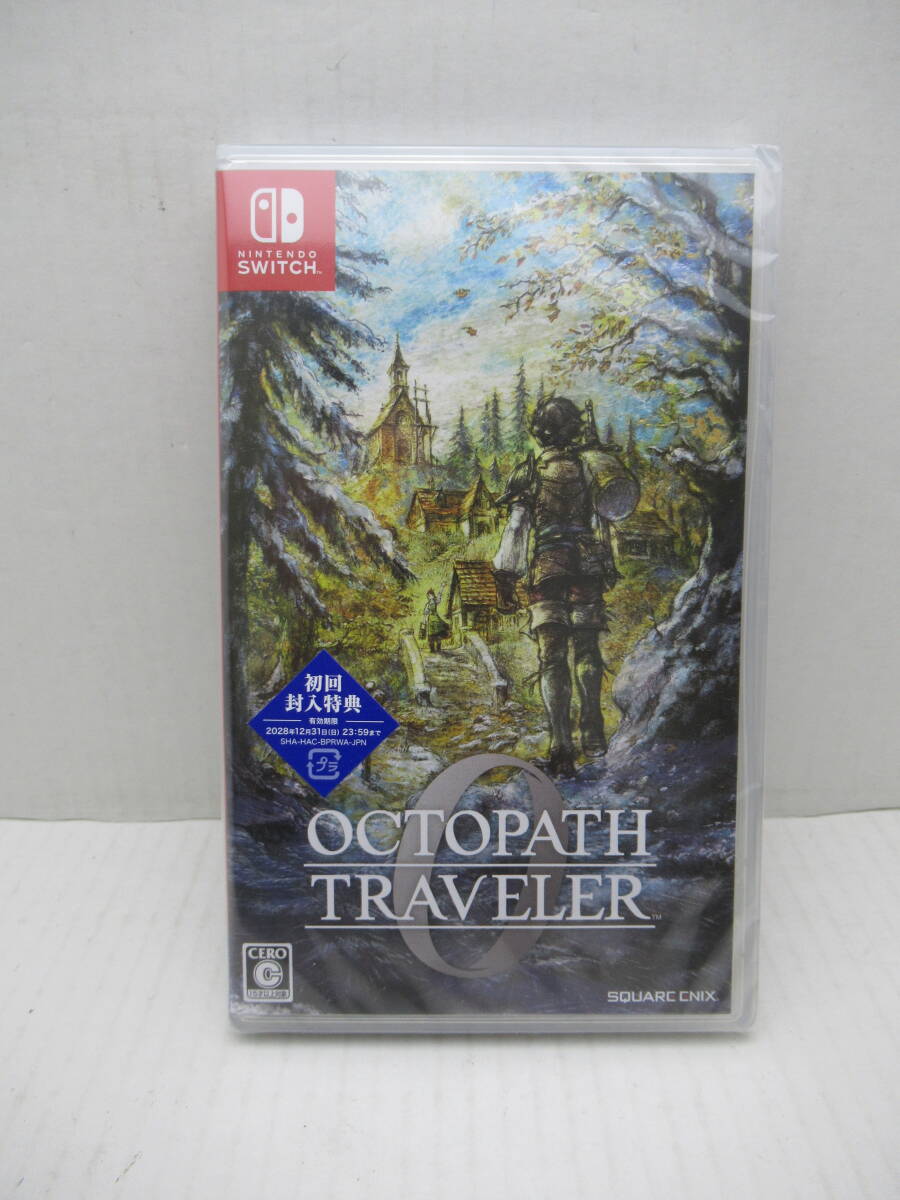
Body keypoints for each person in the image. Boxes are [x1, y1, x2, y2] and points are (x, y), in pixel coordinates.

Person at [493, 395, 639, 777]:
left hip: (548, 571)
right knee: (587, 648)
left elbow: (517, 529)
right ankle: (593, 732)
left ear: (540, 433)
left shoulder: (529, 472)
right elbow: (605, 519)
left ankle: (561, 746)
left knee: (552, 657)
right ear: (574, 430)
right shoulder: (591, 467)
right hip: (587, 567)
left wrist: (506, 575)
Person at [422, 588, 449, 654]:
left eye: (430, 595)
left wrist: (442, 587)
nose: (429, 597)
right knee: (431, 635)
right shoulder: (428, 604)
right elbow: (425, 614)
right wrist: (424, 622)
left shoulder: (435, 601)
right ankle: (432, 649)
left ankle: (438, 649)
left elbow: (439, 596)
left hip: (436, 619)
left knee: (438, 634)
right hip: (431, 621)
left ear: (433, 595)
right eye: (428, 596)